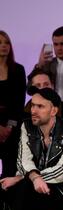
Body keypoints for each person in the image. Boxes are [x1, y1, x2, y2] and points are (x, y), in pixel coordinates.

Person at [0, 30, 26, 178]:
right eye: (0, 43)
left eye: (7, 43)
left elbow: (18, 103)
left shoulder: (18, 70)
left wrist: (8, 127)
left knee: (10, 170)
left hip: (12, 126)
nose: (4, 46)